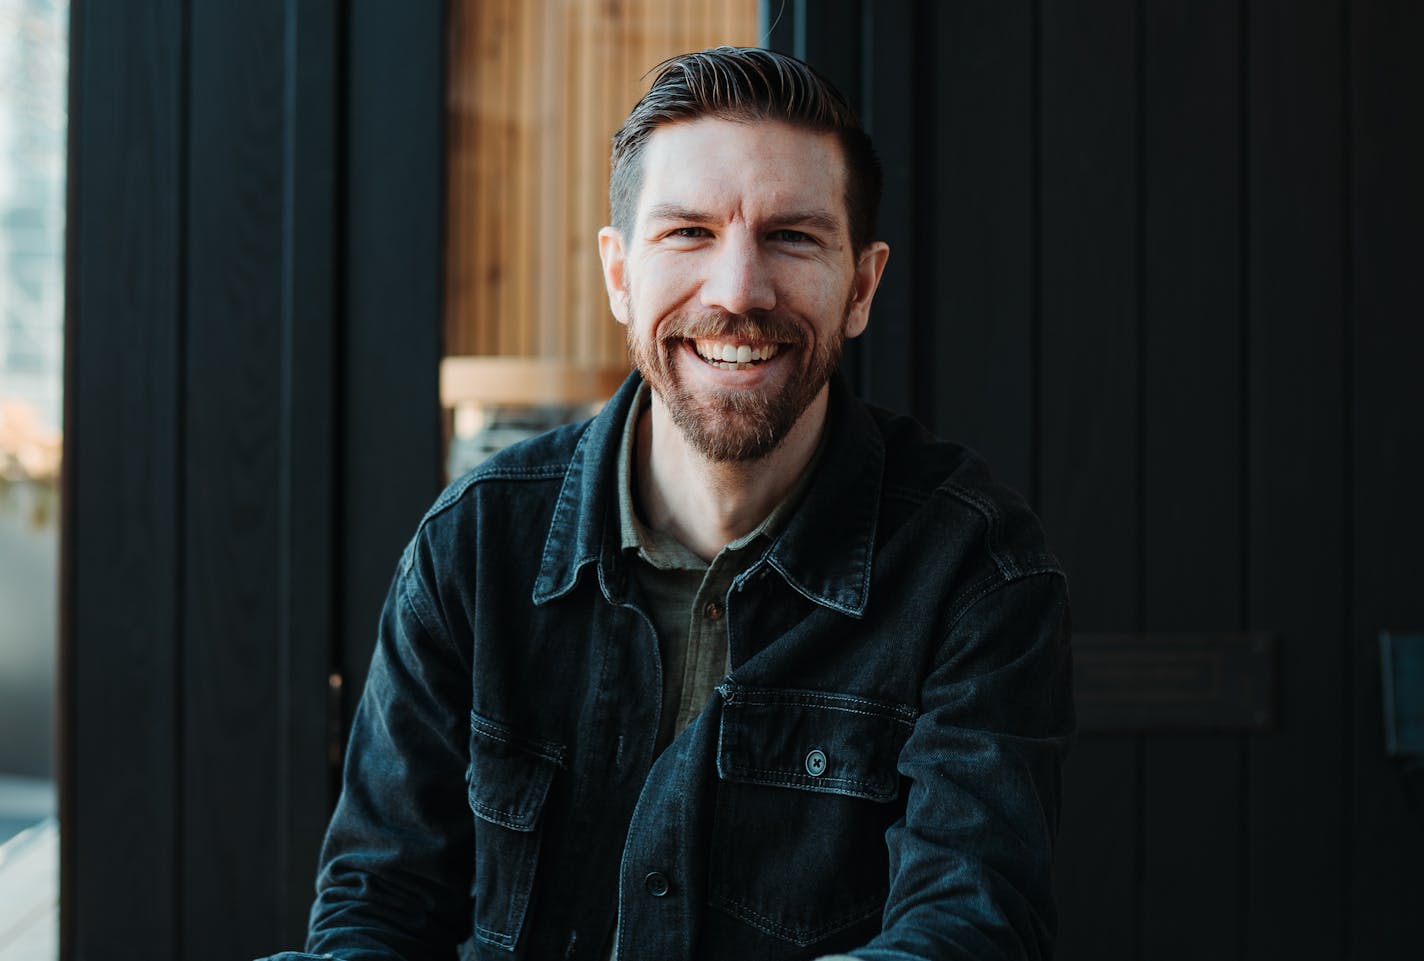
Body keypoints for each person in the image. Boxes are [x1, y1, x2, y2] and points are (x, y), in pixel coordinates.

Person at [264, 46, 1073, 961]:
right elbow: (377, 916)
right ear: (619, 274)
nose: (737, 292)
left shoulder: (975, 569)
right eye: (688, 232)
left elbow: (966, 934)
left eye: (792, 237)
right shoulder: (474, 544)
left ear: (861, 287)